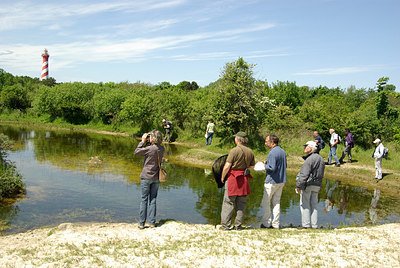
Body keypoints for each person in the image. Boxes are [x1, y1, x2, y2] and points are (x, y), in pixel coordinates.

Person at [220, 131, 255, 230]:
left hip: (233, 178)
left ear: (237, 140)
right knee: (241, 203)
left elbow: (227, 166)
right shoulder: (250, 151)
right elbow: (252, 166)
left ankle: (226, 225)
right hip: (244, 179)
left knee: (229, 202)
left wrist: (222, 177)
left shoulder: (234, 151)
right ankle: (238, 225)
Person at [134, 130, 165, 229]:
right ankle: (152, 223)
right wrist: (148, 141)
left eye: (150, 136)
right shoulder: (162, 149)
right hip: (156, 177)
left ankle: (142, 224)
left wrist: (142, 141)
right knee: (153, 199)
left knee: (144, 200)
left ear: (153, 138)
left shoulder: (149, 149)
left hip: (146, 177)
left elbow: (136, 152)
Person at [295, 141, 325, 229]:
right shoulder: (320, 158)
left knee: (305, 204)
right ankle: (314, 225)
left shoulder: (310, 159)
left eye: (306, 146)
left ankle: (306, 225)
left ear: (311, 148)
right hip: (317, 185)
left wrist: (299, 186)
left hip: (308, 185)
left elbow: (304, 174)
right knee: (314, 205)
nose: (304, 148)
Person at [260, 134, 287, 229]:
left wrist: (263, 166)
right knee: (276, 202)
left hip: (272, 181)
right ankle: (276, 224)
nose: (265, 143)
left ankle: (266, 223)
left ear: (272, 142)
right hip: (281, 180)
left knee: (266, 202)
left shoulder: (272, 152)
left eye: (267, 141)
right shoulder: (282, 151)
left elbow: (271, 167)